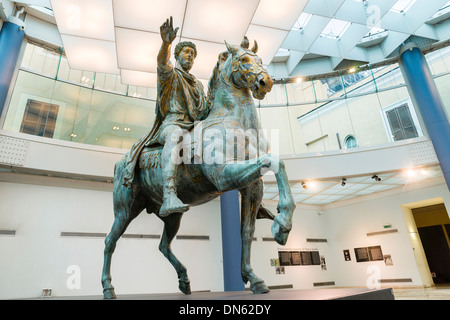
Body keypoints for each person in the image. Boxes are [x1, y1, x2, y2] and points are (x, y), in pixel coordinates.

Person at [123, 17, 208, 217]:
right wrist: (166, 43)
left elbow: (203, 111)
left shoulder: (197, 85)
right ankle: (169, 194)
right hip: (172, 124)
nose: (191, 57)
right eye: (187, 52)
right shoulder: (170, 75)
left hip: (194, 126)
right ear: (178, 56)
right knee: (175, 135)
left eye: (193, 55)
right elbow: (162, 61)